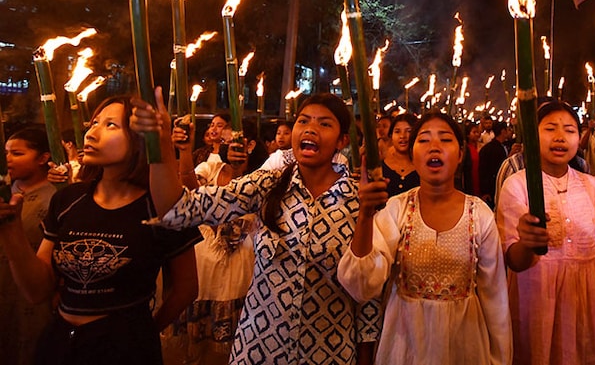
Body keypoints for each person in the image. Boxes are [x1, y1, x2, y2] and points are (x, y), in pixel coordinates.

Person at [133, 91, 380, 365]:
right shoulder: (267, 184)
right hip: (259, 349)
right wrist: (161, 144)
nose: (310, 129)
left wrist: (365, 356)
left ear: (343, 140)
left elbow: (366, 294)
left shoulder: (361, 198)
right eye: (303, 121)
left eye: (324, 123)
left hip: (327, 353)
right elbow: (179, 208)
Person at [0, 96, 201, 365]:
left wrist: (145, 332)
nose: (92, 132)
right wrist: (11, 230)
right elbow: (37, 290)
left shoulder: (162, 206)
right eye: (94, 123)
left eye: (110, 125)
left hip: (123, 348)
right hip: (60, 342)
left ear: (141, 138)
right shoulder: (68, 199)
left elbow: (186, 288)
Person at [337, 112, 511, 365]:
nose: (435, 147)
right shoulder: (397, 209)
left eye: (445, 139)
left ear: (461, 154)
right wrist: (365, 214)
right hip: (405, 345)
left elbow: (495, 297)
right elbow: (362, 285)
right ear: (413, 154)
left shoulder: (480, 214)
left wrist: (500, 357)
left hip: (466, 345)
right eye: (424, 140)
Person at [497, 101, 595, 364]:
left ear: (579, 138)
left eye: (569, 130)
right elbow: (513, 259)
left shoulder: (593, 187)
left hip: (590, 303)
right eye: (550, 129)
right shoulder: (517, 185)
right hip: (536, 302)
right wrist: (528, 244)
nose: (560, 137)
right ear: (532, 135)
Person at [163, 119, 268, 365]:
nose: (229, 144)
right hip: (205, 260)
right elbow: (192, 193)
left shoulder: (262, 177)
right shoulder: (211, 168)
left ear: (250, 145)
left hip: (238, 263)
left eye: (235, 141)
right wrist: (185, 152)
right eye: (225, 141)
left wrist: (240, 170)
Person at [0, 127, 57, 365]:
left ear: (43, 157)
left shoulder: (56, 197)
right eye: (6, 153)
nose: (8, 159)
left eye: (17, 153)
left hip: (36, 299)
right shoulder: (5, 195)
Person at [381, 113, 418, 197]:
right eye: (397, 131)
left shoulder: (423, 168)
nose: (402, 136)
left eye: (408, 131)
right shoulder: (380, 168)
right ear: (391, 135)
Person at [477, 121, 511, 207]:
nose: (510, 131)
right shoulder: (491, 149)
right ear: (503, 131)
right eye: (508, 129)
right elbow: (484, 170)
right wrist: (485, 191)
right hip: (493, 189)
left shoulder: (503, 146)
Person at [462, 121, 482, 195]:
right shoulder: (466, 149)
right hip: (470, 181)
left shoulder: (481, 147)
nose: (477, 134)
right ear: (468, 135)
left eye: (478, 132)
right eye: (474, 132)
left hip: (480, 180)